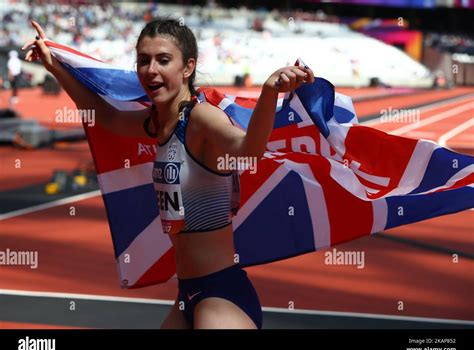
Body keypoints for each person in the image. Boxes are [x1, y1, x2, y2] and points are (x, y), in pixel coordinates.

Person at [22, 18, 314, 329]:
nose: (150, 70)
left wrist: (269, 93)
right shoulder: (159, 123)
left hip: (221, 294)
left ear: (188, 67)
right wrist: (54, 64)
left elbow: (247, 151)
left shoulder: (201, 119)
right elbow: (105, 116)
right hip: (188, 294)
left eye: (163, 60)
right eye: (143, 61)